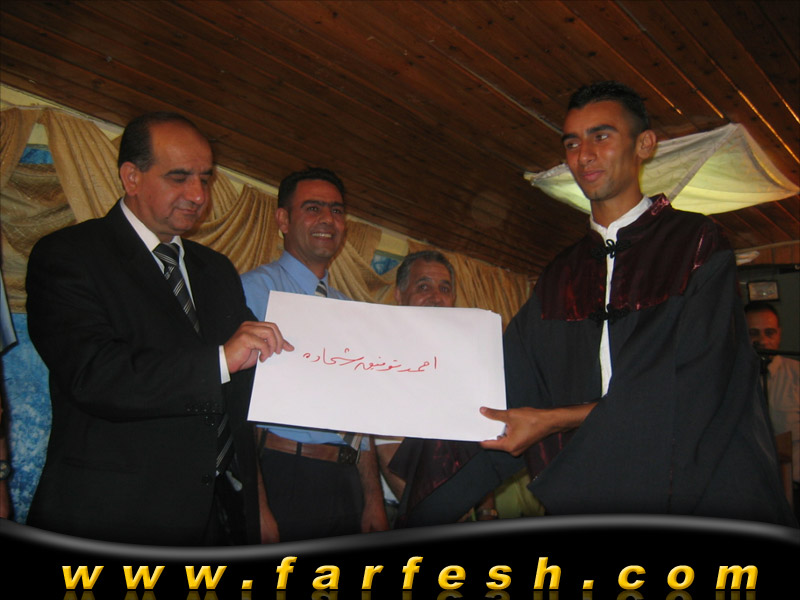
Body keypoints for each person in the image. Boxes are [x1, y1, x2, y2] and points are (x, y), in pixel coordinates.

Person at [477, 81, 796, 525]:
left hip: (697, 487)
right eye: (572, 142)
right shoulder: (560, 275)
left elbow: (698, 380)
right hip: (592, 489)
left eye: (601, 136)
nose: (584, 155)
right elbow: (507, 373)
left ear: (644, 144)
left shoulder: (696, 243)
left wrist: (558, 419)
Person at [24, 112, 292, 545]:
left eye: (205, 179)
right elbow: (96, 376)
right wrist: (220, 361)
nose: (198, 195)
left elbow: (240, 394)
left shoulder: (216, 270)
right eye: (179, 177)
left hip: (218, 517)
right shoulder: (70, 255)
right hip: (111, 516)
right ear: (131, 177)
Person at [240, 167, 388, 542]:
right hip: (283, 474)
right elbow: (237, 407)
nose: (327, 219)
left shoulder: (352, 309)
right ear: (283, 220)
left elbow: (361, 413)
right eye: (313, 208)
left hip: (347, 480)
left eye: (337, 210)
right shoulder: (253, 291)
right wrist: (256, 505)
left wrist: (373, 499)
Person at [377, 250, 497, 526]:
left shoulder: (467, 359)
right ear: (399, 295)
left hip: (460, 511)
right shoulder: (382, 356)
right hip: (406, 510)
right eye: (423, 287)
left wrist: (487, 511)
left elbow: (479, 441)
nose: (436, 297)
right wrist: (432, 512)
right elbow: (386, 449)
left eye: (444, 289)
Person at [745, 301, 799, 516]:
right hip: (751, 490)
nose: (762, 341)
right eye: (753, 333)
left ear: (779, 334)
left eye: (769, 333)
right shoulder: (727, 379)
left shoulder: (796, 374)